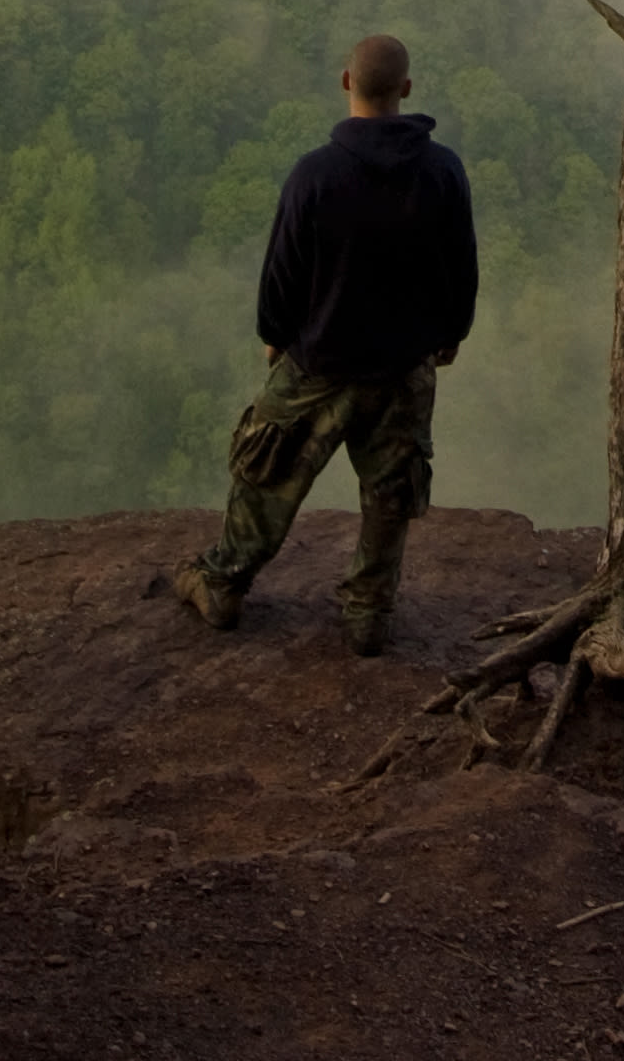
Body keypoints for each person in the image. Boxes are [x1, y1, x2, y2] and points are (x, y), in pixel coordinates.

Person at [174, 32, 477, 655]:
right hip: (404, 365)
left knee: (266, 472)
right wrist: (450, 334)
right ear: (407, 90)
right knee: (391, 494)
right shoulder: (442, 169)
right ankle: (369, 614)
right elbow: (461, 265)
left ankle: (223, 585)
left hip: (317, 361)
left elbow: (282, 270)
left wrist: (273, 337)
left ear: (346, 83)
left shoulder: (315, 174)